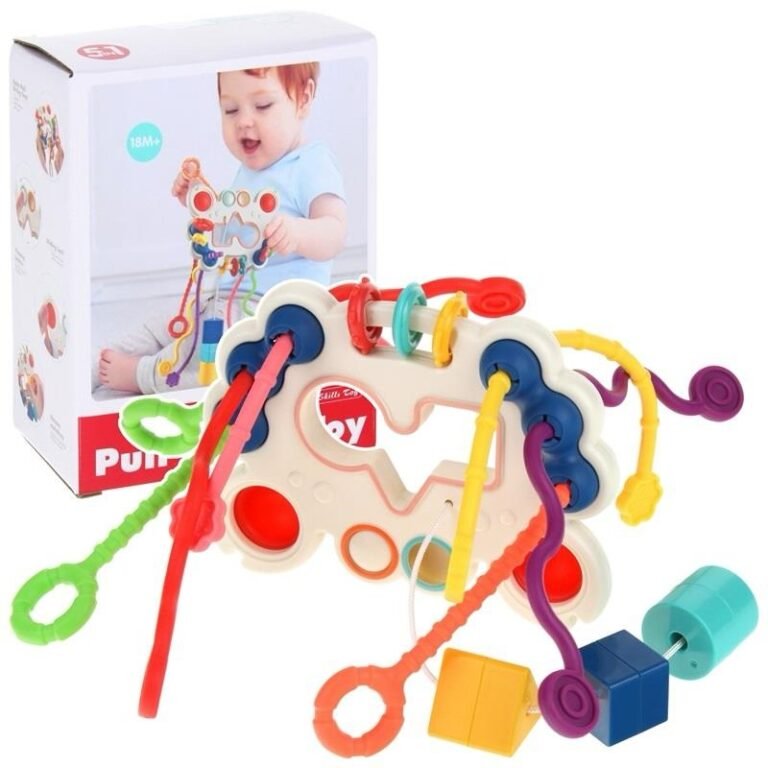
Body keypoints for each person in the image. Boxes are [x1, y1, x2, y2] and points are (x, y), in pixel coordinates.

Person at [97, 62, 347, 394]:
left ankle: (143, 375)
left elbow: (335, 231)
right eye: (230, 110)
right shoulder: (250, 171)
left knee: (211, 356)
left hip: (271, 314)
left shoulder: (311, 163)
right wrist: (199, 198)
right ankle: (96, 364)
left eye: (262, 105)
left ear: (303, 98)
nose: (244, 121)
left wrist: (297, 233)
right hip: (226, 297)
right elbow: (231, 232)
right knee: (167, 324)